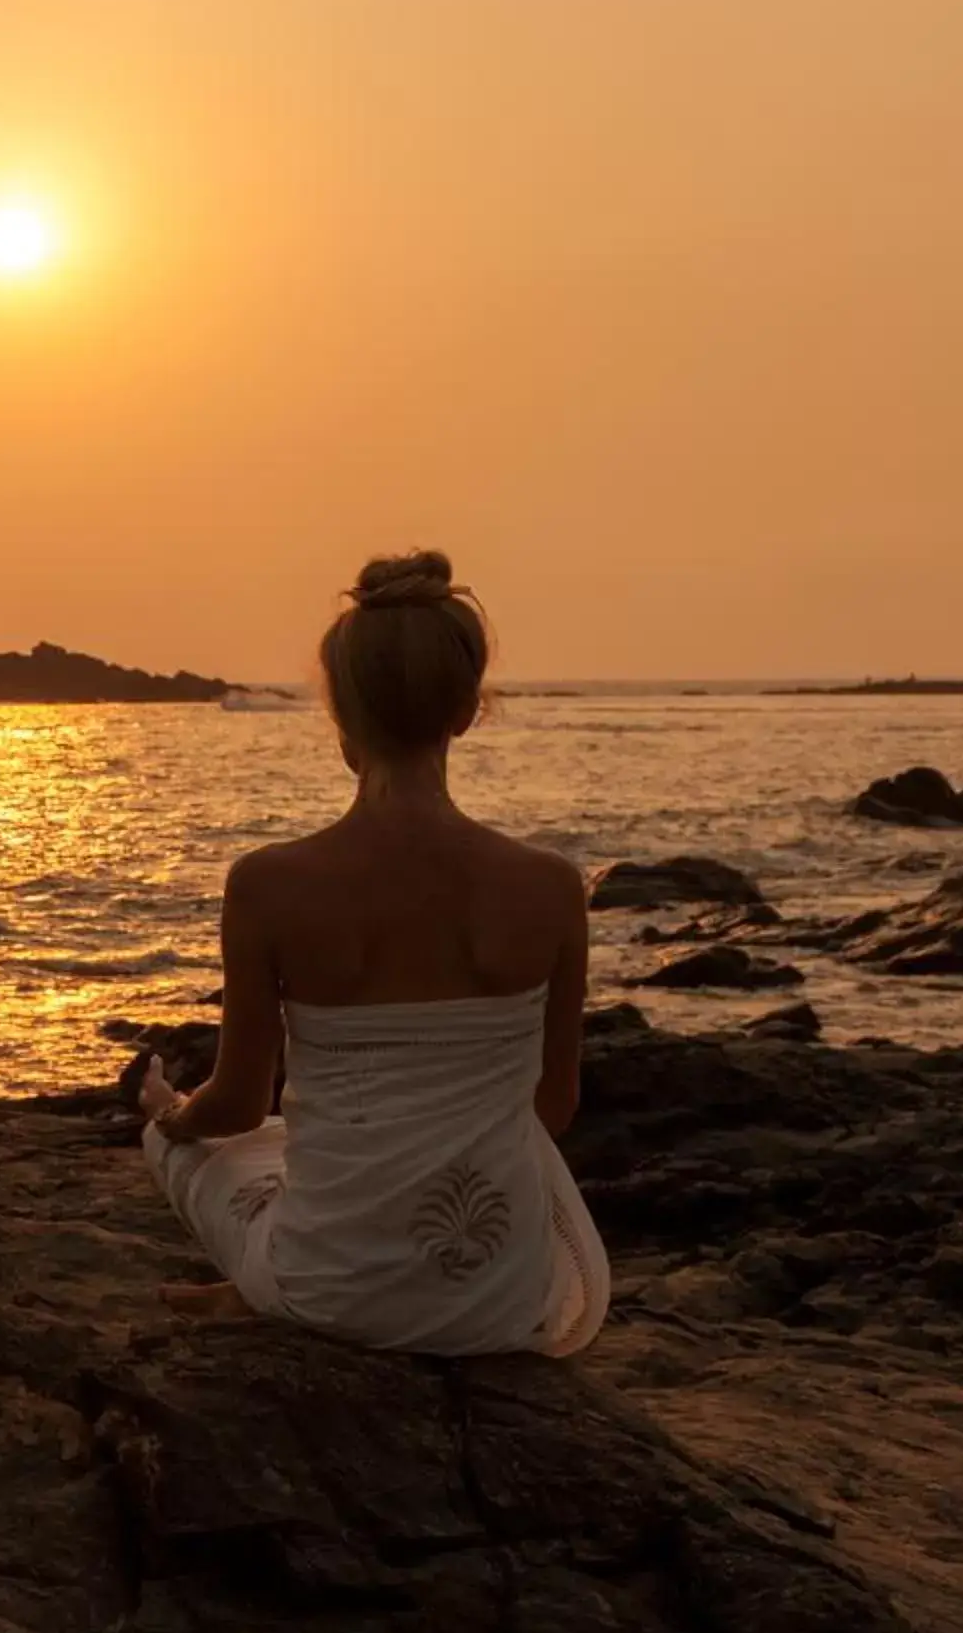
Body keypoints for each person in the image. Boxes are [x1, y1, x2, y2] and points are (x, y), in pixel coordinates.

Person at [128, 551, 608, 1357]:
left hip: (330, 1295)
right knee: (309, 1150)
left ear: (340, 716)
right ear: (466, 712)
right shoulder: (552, 886)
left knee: (185, 1144)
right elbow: (552, 1109)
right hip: (500, 1303)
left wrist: (170, 1115)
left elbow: (239, 1106)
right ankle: (281, 1286)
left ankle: (263, 1289)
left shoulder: (268, 885)